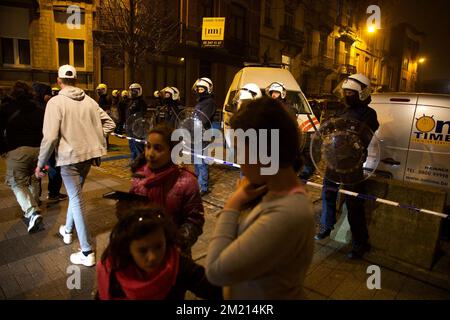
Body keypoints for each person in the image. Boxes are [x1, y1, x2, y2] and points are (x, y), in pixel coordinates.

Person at [206, 97, 315, 299]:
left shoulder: (287, 213)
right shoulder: (275, 194)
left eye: (239, 150)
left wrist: (233, 204)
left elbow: (215, 271)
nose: (238, 160)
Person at [35, 64, 116, 266]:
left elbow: (50, 137)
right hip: (87, 157)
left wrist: (40, 164)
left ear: (58, 80)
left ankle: (87, 252)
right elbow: (110, 124)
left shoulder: (55, 102)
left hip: (69, 157)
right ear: (77, 80)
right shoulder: (90, 101)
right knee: (75, 195)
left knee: (77, 199)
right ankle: (68, 231)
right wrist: (94, 138)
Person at [315, 73, 379, 260]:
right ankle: (327, 226)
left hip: (352, 165)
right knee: (327, 194)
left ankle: (360, 243)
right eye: (346, 92)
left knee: (354, 202)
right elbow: (329, 131)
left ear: (361, 93)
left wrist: (343, 127)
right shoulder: (341, 111)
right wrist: (325, 127)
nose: (347, 95)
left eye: (351, 92)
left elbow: (363, 133)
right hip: (334, 160)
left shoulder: (369, 113)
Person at [96, 207, 222, 300]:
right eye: (143, 250)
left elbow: (217, 290)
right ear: (128, 249)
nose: (153, 257)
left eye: (158, 246)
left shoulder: (179, 265)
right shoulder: (114, 271)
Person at [129, 124, 205, 256]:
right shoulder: (139, 177)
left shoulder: (186, 182)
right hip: (143, 251)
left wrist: (176, 244)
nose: (150, 153)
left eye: (158, 148)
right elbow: (132, 212)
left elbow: (194, 221)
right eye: (148, 146)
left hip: (174, 255)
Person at [0, 81, 45, 233]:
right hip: (39, 150)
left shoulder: (6, 109)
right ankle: (35, 202)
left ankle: (32, 212)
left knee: (16, 182)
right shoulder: (40, 109)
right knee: (33, 178)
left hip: (17, 150)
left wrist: (3, 150)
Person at [32, 82, 68, 203]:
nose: (50, 96)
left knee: (41, 169)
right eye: (48, 94)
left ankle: (36, 197)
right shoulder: (44, 108)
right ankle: (53, 193)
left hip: (36, 146)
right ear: (43, 94)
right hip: (47, 145)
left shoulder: (31, 106)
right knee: (52, 168)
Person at [192, 77, 216, 196]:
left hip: (204, 134)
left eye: (202, 89)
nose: (200, 91)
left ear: (208, 90)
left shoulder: (209, 102)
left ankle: (203, 186)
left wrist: (195, 122)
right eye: (199, 89)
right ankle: (197, 183)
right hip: (196, 134)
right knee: (196, 160)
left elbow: (203, 118)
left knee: (201, 161)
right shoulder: (200, 102)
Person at [126, 83, 147, 161]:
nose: (133, 92)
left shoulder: (141, 102)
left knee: (138, 144)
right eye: (132, 91)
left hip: (137, 127)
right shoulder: (130, 101)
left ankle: (140, 161)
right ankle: (134, 159)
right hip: (129, 126)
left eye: (135, 91)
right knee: (131, 144)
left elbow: (141, 114)